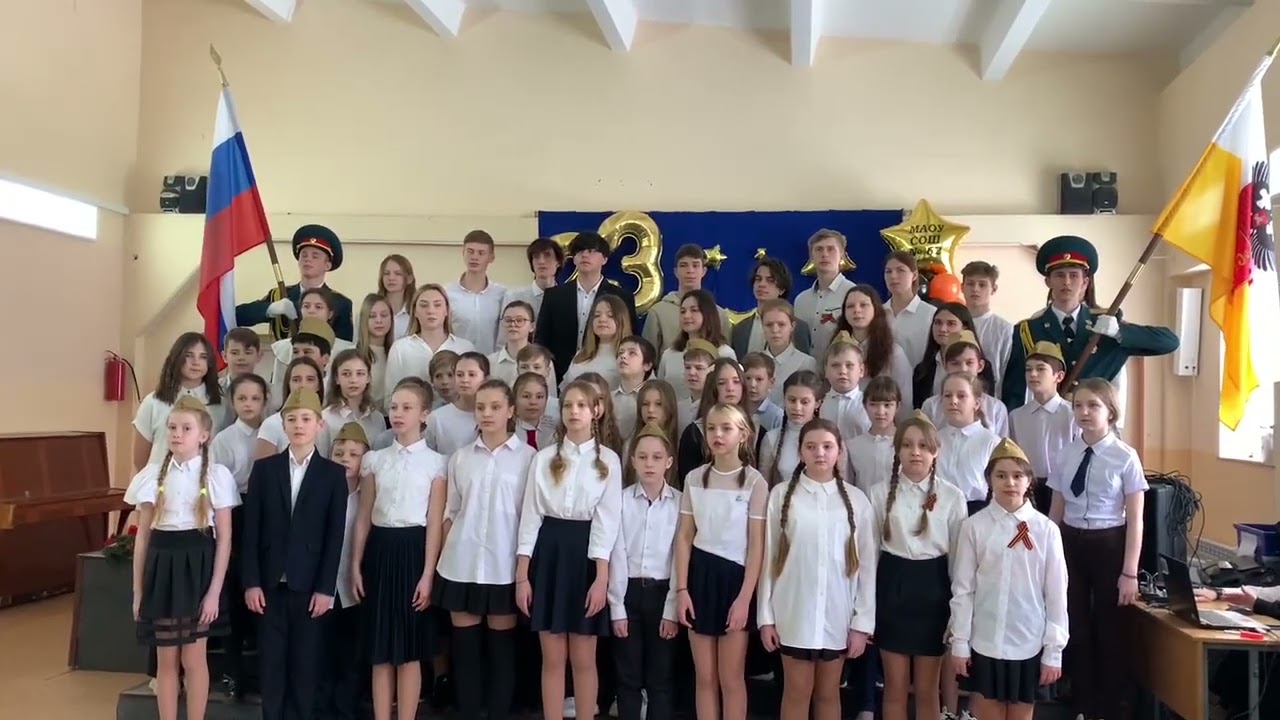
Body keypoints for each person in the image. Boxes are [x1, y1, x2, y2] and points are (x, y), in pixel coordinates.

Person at [515, 380, 624, 720]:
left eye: (581, 405)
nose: (574, 411)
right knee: (552, 658)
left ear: (596, 411)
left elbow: (607, 523)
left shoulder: (609, 460)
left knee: (584, 658)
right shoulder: (544, 458)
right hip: (549, 555)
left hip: (585, 558)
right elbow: (530, 517)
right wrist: (522, 575)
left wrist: (601, 578)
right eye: (567, 405)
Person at [126, 396, 238, 720]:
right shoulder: (152, 475)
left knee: (193, 658)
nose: (177, 433)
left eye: (186, 428)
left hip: (197, 567)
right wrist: (138, 590)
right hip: (162, 566)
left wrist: (214, 592)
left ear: (203, 435)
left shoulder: (215, 475)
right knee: (166, 660)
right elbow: (143, 538)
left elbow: (225, 538)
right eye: (172, 427)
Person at [758, 418, 877, 720]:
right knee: (796, 693)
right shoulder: (781, 496)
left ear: (840, 451)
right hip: (793, 614)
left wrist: (862, 624)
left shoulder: (857, 501)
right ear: (800, 452)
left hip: (837, 615)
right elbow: (769, 559)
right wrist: (766, 618)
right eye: (811, 447)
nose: (819, 453)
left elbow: (867, 569)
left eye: (827, 446)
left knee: (828, 694)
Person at [242, 388, 348, 720]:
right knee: (271, 668)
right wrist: (252, 582)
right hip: (270, 586)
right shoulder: (265, 470)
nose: (298, 425)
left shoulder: (333, 475)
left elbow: (334, 537)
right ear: (283, 425)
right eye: (292, 419)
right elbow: (251, 532)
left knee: (306, 668)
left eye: (306, 419)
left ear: (319, 424)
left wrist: (326, 588)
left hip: (310, 587)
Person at [435, 379, 537, 720]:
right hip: (461, 565)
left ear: (511, 411)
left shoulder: (529, 459)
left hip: (503, 567)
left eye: (495, 407)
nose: (487, 413)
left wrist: (523, 570)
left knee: (501, 652)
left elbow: (530, 518)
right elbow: (451, 513)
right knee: (464, 652)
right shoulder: (461, 458)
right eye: (480, 407)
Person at [1048, 377, 1147, 720]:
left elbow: (1136, 520)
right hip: (1071, 543)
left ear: (1110, 412)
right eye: (1078, 405)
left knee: (1110, 628)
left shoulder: (1125, 456)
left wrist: (1129, 573)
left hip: (1109, 543)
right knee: (1075, 625)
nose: (1084, 412)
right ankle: (1082, 704)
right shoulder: (1066, 453)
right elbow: (1056, 510)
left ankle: (1110, 708)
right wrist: (1049, 556)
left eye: (1093, 405)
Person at [949, 439, 1068, 720]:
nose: (1010, 482)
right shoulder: (973, 527)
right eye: (1001, 475)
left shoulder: (1046, 530)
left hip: (1028, 643)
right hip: (985, 641)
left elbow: (1056, 594)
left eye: (1017, 475)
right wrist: (960, 641)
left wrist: (1053, 651)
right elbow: (963, 589)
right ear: (989, 479)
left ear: (1029, 481)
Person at [351, 380, 448, 720]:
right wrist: (355, 565)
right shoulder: (374, 460)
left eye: (407, 408)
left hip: (413, 552)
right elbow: (364, 516)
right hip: (380, 550)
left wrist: (427, 575)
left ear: (424, 414)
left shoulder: (437, 463)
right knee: (380, 650)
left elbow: (434, 523)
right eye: (394, 407)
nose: (398, 414)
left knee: (409, 651)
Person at [1002, 235, 1179, 411]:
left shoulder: (1106, 325)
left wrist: (1119, 332)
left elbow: (1169, 342)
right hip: (1050, 421)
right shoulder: (1028, 330)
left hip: (1095, 420)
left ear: (1085, 282)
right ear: (1048, 281)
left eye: (1074, 275)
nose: (1067, 282)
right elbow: (1015, 389)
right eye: (1059, 275)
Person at [868, 411, 967, 720]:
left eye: (924, 446)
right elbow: (870, 554)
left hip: (933, 591)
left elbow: (959, 561)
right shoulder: (879, 493)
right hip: (892, 588)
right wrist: (867, 608)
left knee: (927, 689)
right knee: (895, 687)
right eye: (907, 445)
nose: (915, 452)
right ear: (897, 450)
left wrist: (957, 612)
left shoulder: (952, 496)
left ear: (935, 452)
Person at [674, 403, 767, 720]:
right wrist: (682, 590)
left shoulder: (754, 482)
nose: (718, 434)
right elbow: (685, 536)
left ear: (743, 434)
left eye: (726, 428)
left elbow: (756, 545)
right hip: (700, 577)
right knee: (705, 677)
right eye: (711, 428)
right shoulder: (694, 478)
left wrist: (744, 598)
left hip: (734, 580)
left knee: (731, 677)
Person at [608, 423, 682, 720]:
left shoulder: (680, 503)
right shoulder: (621, 500)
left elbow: (679, 558)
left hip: (663, 594)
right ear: (633, 461)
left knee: (660, 677)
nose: (649, 463)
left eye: (656, 457)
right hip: (628, 593)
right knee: (628, 675)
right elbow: (616, 554)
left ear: (669, 462)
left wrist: (672, 609)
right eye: (642, 457)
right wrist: (617, 608)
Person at [209, 373, 269, 699]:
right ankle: (233, 672)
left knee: (261, 591)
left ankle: (261, 672)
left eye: (255, 398)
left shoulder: (273, 431)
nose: (248, 404)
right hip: (234, 510)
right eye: (242, 398)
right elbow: (218, 484)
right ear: (232, 402)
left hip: (267, 511)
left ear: (265, 401)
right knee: (235, 592)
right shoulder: (224, 439)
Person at [535, 232, 640, 382]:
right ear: (573, 258)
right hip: (559, 376)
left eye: (591, 251)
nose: (584, 255)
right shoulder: (554, 295)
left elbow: (631, 338)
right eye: (579, 251)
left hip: (608, 375)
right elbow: (541, 340)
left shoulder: (622, 297)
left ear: (604, 259)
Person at [322, 422, 371, 720]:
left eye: (353, 454)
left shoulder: (369, 497)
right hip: (325, 587)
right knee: (323, 651)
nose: (345, 459)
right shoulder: (321, 493)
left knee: (352, 653)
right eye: (339, 453)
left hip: (355, 587)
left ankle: (346, 709)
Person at [236, 224, 354, 342]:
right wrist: (269, 308)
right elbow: (238, 316)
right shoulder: (280, 295)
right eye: (304, 255)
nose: (308, 259)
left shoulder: (340, 303)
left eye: (315, 256)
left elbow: (344, 345)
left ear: (327, 265)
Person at [134, 332, 226, 469]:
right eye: (189, 355)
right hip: (161, 479)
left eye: (203, 357)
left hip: (205, 478)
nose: (196, 362)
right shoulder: (153, 402)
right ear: (177, 358)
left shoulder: (221, 404)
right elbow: (140, 460)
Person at [1008, 341, 1077, 512]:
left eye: (1040, 369)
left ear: (1058, 376)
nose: (1033, 374)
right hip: (1028, 487)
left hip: (1063, 487)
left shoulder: (1072, 414)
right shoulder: (1017, 416)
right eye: (1028, 369)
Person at [385, 284, 476, 398]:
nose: (430, 311)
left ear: (446, 310)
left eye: (437, 305)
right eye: (424, 305)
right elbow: (390, 397)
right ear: (415, 311)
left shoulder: (465, 348)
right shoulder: (401, 348)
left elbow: (473, 394)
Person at [644, 244, 731, 354]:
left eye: (695, 265)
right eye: (683, 265)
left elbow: (725, 355)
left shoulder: (718, 314)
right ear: (676, 272)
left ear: (704, 271)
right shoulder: (658, 312)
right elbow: (648, 356)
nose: (690, 270)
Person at [655, 289, 738, 399]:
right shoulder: (670, 354)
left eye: (694, 310)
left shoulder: (724, 353)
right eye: (683, 311)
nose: (687, 316)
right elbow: (660, 391)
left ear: (707, 314)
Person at [731, 256, 813, 357]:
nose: (762, 284)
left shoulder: (799, 328)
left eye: (770, 280)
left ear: (782, 289)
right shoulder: (740, 328)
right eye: (758, 279)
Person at [793, 230, 856, 362]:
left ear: (841, 255)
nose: (825, 254)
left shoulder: (853, 294)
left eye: (831, 249)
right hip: (804, 370)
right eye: (819, 249)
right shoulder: (801, 300)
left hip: (840, 369)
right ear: (811, 256)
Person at [447, 230, 507, 355]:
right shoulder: (447, 293)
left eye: (481, 253)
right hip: (457, 361)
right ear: (463, 252)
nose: (474, 257)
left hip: (491, 361)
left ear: (491, 258)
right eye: (470, 251)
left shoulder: (502, 294)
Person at [960, 261, 1013, 399]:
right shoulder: (953, 323)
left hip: (992, 399)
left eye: (982, 285)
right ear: (962, 287)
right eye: (970, 284)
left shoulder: (1004, 329)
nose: (975, 289)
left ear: (993, 289)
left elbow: (1006, 370)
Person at [754, 300, 817, 407]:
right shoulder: (754, 360)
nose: (775, 330)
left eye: (781, 324)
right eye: (769, 325)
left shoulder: (806, 363)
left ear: (792, 326)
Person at [882, 250, 935, 367]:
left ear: (914, 275)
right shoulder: (877, 313)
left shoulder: (930, 314)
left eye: (900, 270)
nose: (893, 276)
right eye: (888, 271)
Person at [501, 237, 564, 324]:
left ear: (558, 262)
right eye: (536, 257)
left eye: (547, 255)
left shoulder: (566, 298)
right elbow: (504, 329)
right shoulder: (514, 297)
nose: (541, 261)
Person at [612, 335, 656, 439]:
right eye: (620, 353)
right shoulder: (608, 398)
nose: (623, 356)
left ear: (647, 365)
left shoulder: (653, 399)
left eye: (632, 353)